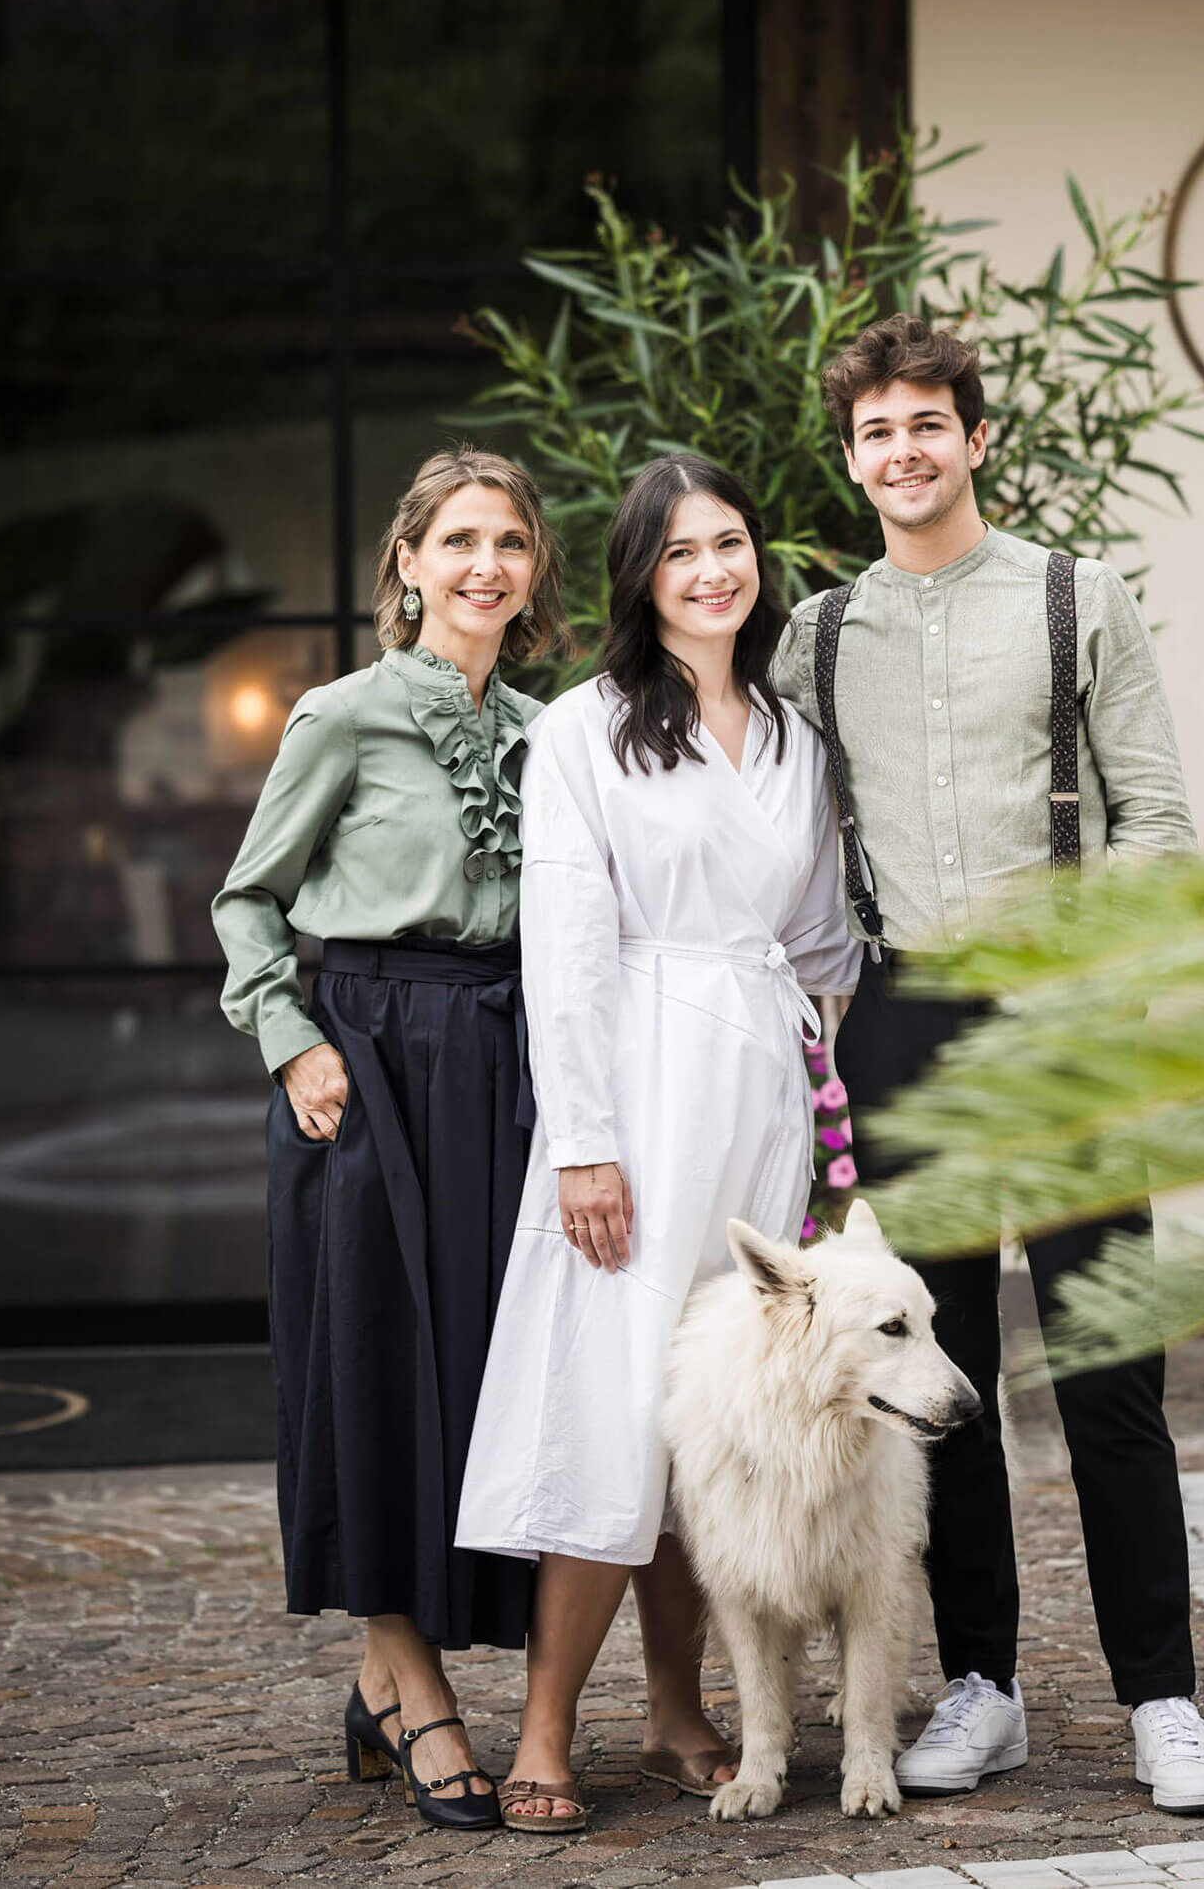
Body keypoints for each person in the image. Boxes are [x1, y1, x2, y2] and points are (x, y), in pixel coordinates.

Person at [772, 313, 1204, 1816]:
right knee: (943, 1371)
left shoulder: (1073, 597)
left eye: (926, 425)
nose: (901, 453)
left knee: (1111, 1371)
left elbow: (1158, 821)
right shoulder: (816, 636)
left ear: (977, 440)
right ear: (851, 463)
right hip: (907, 1019)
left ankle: (1162, 1698)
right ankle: (983, 1685)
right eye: (875, 434)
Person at [456, 454, 863, 1834]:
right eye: (680, 551)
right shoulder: (587, 728)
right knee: (611, 1404)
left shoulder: (799, 741)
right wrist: (583, 1142)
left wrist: (818, 1088)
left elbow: (816, 945)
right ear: (641, 576)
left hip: (759, 1101)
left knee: (718, 1417)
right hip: (635, 1090)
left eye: (730, 544)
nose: (711, 571)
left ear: (759, 561)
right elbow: (562, 946)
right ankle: (547, 1728)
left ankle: (686, 1707)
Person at [213, 447, 566, 1830]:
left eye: (514, 543)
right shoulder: (341, 718)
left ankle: (385, 1680)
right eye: (462, 540)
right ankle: (417, 1697)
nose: (488, 564)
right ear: (407, 563)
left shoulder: (556, 732)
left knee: (481, 1389)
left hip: (510, 1061)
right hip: (366, 1063)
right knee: (371, 1376)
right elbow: (251, 902)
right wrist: (291, 1038)